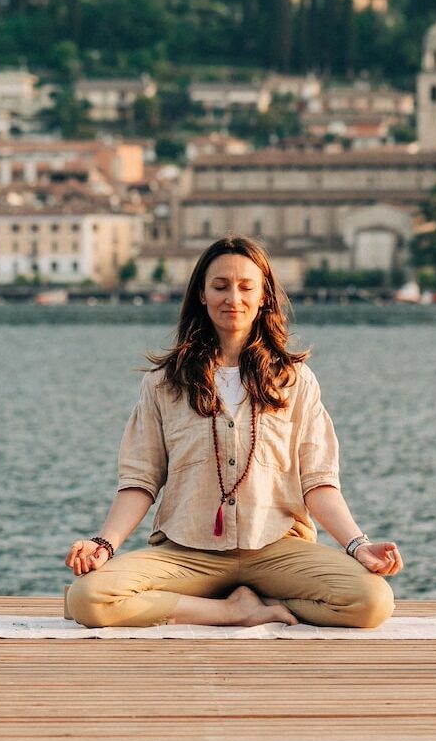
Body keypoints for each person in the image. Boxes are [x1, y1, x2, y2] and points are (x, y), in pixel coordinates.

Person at [64, 236, 402, 629]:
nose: (233, 298)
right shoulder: (163, 383)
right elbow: (140, 481)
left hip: (278, 550)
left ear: (264, 298)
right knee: (87, 599)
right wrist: (104, 545)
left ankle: (261, 597)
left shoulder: (295, 382)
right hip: (187, 553)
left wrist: (359, 546)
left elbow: (319, 483)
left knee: (373, 601)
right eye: (220, 286)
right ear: (202, 296)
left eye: (246, 287)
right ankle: (231, 610)